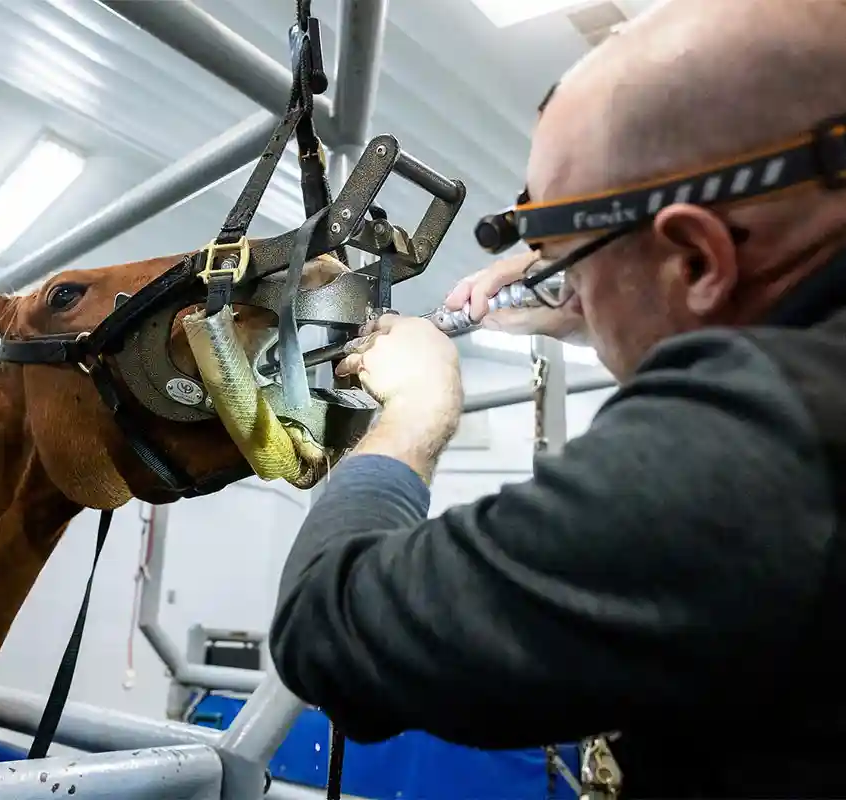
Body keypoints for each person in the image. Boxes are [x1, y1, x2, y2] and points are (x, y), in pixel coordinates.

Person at [268, 0, 846, 796]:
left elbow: (327, 633)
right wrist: (620, 295)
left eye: (569, 255)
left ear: (698, 260)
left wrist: (411, 415)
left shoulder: (755, 446)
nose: (552, 276)